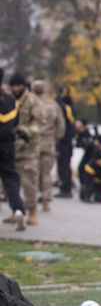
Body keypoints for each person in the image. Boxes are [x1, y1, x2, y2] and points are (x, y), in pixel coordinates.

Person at [8, 73, 44, 226]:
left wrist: (26, 131)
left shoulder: (32, 101)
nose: (16, 89)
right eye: (13, 86)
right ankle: (15, 211)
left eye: (18, 85)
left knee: (29, 182)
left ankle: (32, 212)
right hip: (10, 149)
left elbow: (40, 122)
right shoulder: (8, 100)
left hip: (28, 149)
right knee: (10, 184)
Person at [32, 80, 65, 212]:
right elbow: (61, 125)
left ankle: (32, 200)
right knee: (46, 173)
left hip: (33, 142)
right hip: (49, 142)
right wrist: (55, 138)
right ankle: (46, 201)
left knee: (32, 173)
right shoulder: (53, 105)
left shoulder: (31, 103)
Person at [0, 69, 26, 230]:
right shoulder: (11, 100)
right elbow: (15, 123)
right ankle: (18, 209)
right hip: (7, 145)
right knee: (10, 178)